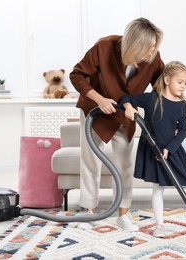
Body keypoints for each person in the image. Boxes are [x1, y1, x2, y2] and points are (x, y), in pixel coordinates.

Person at [69, 17, 164, 232]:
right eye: (149, 47)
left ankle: (123, 214)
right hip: (95, 111)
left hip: (125, 116)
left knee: (125, 165)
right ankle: (89, 211)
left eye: (154, 47)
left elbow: (160, 85)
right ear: (135, 45)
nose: (153, 52)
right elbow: (77, 75)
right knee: (91, 160)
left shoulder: (153, 57)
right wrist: (99, 100)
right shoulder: (104, 46)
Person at [119, 61, 186, 237]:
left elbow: (183, 130)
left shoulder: (183, 106)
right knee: (158, 188)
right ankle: (160, 225)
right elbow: (125, 98)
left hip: (173, 150)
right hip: (153, 149)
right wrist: (128, 107)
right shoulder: (151, 99)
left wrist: (169, 149)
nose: (184, 86)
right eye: (180, 82)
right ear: (166, 80)